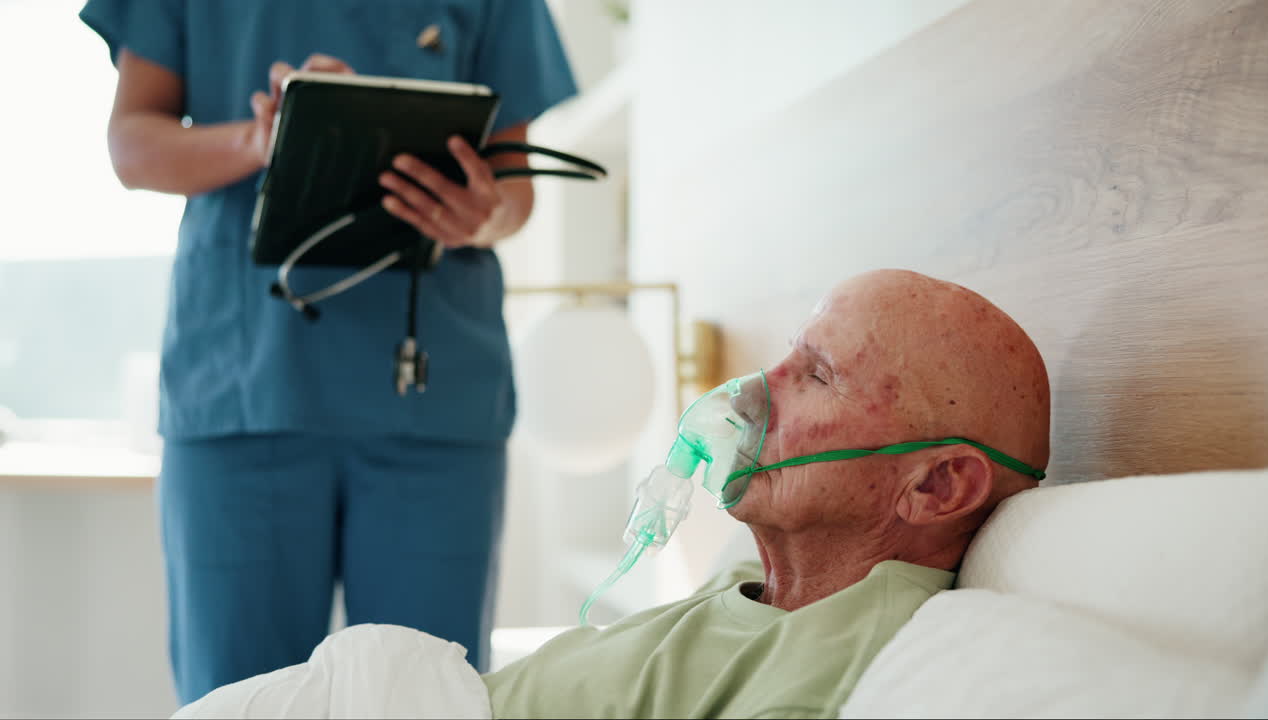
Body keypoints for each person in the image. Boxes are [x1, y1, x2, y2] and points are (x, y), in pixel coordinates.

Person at [174, 269, 1053, 719]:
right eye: (784, 353)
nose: (755, 388)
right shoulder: (768, 577)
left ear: (936, 484)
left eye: (814, 375)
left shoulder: (824, 664)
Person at [78, 0, 577, 705]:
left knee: (426, 700)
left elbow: (514, 188)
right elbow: (132, 145)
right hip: (243, 389)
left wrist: (479, 214)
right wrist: (260, 142)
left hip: (434, 400)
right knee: (238, 701)